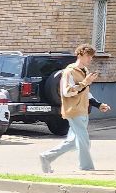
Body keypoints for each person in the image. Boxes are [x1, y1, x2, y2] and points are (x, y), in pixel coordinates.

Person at [38, 45, 111, 174]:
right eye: (88, 56)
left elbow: (85, 93)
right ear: (80, 55)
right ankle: (87, 168)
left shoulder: (85, 71)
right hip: (73, 110)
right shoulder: (69, 72)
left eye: (91, 56)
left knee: (73, 142)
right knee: (84, 140)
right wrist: (84, 83)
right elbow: (67, 92)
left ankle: (46, 157)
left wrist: (98, 104)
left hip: (82, 110)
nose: (90, 59)